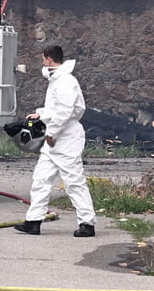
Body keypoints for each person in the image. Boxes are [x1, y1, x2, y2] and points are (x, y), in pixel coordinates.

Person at [14, 45, 96, 237]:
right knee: (41, 180)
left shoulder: (66, 81)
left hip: (65, 138)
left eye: (43, 59)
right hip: (56, 138)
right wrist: (40, 114)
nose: (42, 63)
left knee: (74, 181)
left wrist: (52, 134)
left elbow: (65, 111)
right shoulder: (58, 80)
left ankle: (87, 223)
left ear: (49, 59)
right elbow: (57, 109)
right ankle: (33, 221)